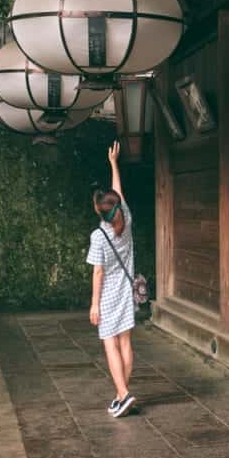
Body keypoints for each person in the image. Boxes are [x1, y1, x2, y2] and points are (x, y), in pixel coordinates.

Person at [87, 141, 137, 417]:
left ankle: (124, 393)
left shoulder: (99, 236)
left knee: (110, 343)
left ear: (99, 212)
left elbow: (98, 271)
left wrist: (95, 305)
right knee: (125, 342)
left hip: (108, 294)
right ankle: (121, 396)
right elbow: (117, 193)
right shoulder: (126, 219)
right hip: (126, 290)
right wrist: (114, 164)